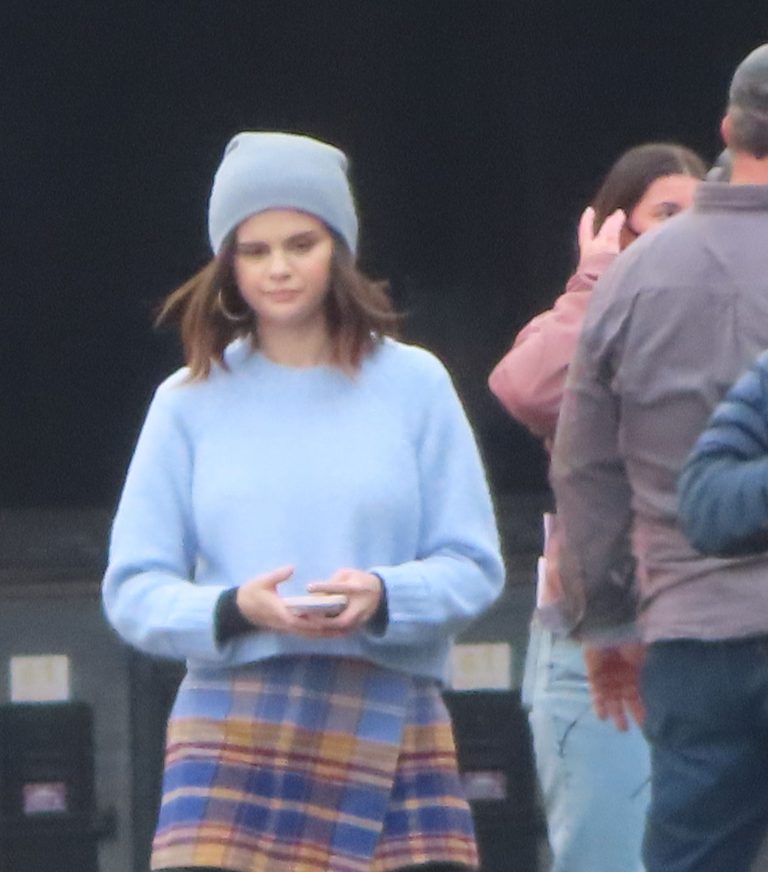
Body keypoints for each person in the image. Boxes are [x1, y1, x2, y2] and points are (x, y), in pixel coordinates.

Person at [102, 131, 505, 872]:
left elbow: (473, 565)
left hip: (389, 710)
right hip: (229, 726)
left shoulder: (415, 384)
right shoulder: (187, 401)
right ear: (228, 263)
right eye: (255, 250)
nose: (279, 268)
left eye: (301, 243)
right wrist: (233, 609)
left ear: (339, 251)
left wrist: (384, 594)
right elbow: (133, 587)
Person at [549, 43, 768, 872]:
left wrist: (607, 621)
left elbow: (585, 466)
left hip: (691, 638)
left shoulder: (633, 275)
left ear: (727, 131)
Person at [488, 142, 704, 872]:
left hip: (710, 637)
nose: (685, 232)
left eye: (700, 215)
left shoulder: (732, 322)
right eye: (664, 214)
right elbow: (528, 389)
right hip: (594, 643)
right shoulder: (582, 321)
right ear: (618, 228)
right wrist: (596, 285)